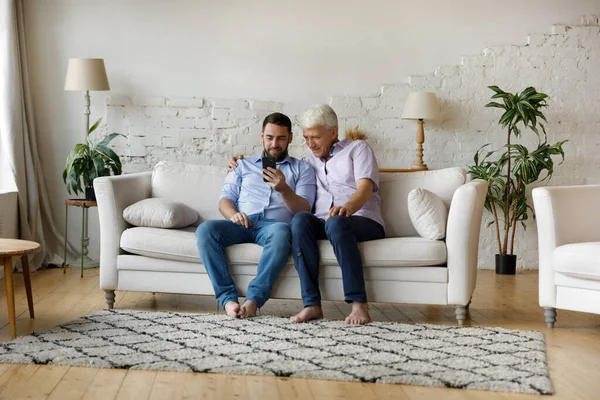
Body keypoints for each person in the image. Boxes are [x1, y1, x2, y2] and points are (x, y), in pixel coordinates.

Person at [229, 105, 385, 324]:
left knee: (337, 223)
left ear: (333, 132)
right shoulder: (307, 163)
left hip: (362, 219)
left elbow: (365, 188)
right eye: (306, 138)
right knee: (301, 220)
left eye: (316, 137)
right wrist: (239, 162)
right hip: (325, 221)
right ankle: (312, 305)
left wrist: (347, 208)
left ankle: (359, 305)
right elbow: (279, 170)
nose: (311, 144)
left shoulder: (358, 149)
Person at [196, 112, 316, 319]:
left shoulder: (302, 168)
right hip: (242, 222)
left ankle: (253, 301)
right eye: (269, 138)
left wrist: (284, 189)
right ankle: (228, 300)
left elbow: (304, 209)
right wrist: (233, 215)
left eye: (281, 138)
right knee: (206, 229)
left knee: (281, 231)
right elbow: (225, 200)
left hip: (274, 227)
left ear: (290, 138)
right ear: (261, 136)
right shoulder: (242, 165)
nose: (274, 144)